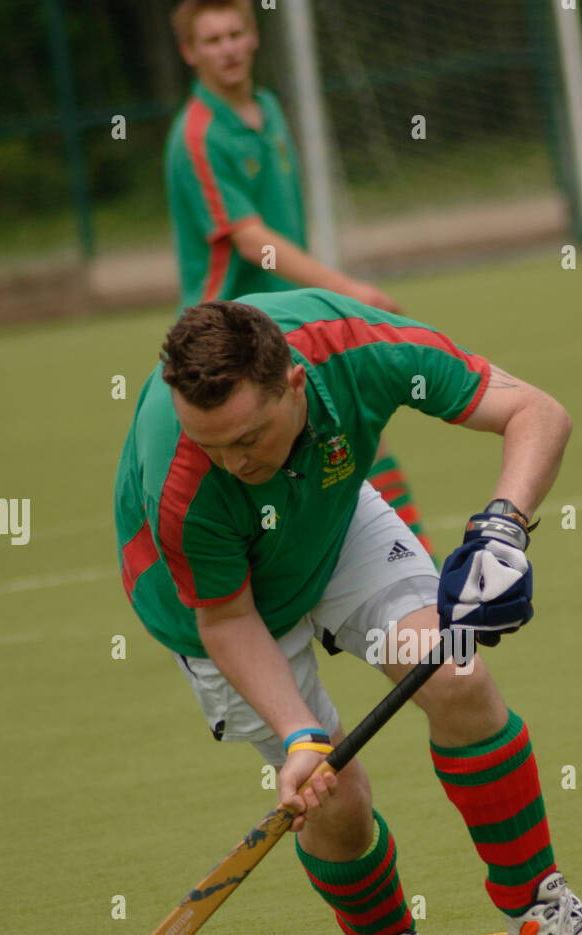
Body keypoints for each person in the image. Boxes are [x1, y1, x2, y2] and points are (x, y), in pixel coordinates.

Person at [115, 289, 582, 935]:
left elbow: (537, 413)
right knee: (334, 794)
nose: (233, 461)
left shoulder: (360, 351)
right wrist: (301, 738)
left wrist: (502, 530)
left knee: (454, 673)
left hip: (332, 523)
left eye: (248, 436)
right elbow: (228, 616)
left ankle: (536, 907)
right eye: (210, 443)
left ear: (296, 384)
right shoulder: (185, 480)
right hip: (221, 610)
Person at [165, 0, 434, 558]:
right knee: (267, 489)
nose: (229, 48)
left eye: (236, 33)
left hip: (288, 323)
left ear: (255, 37)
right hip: (230, 343)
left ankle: (420, 580)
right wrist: (346, 290)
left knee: (359, 434)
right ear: (190, 52)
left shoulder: (267, 109)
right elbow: (249, 239)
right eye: (212, 40)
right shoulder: (197, 135)